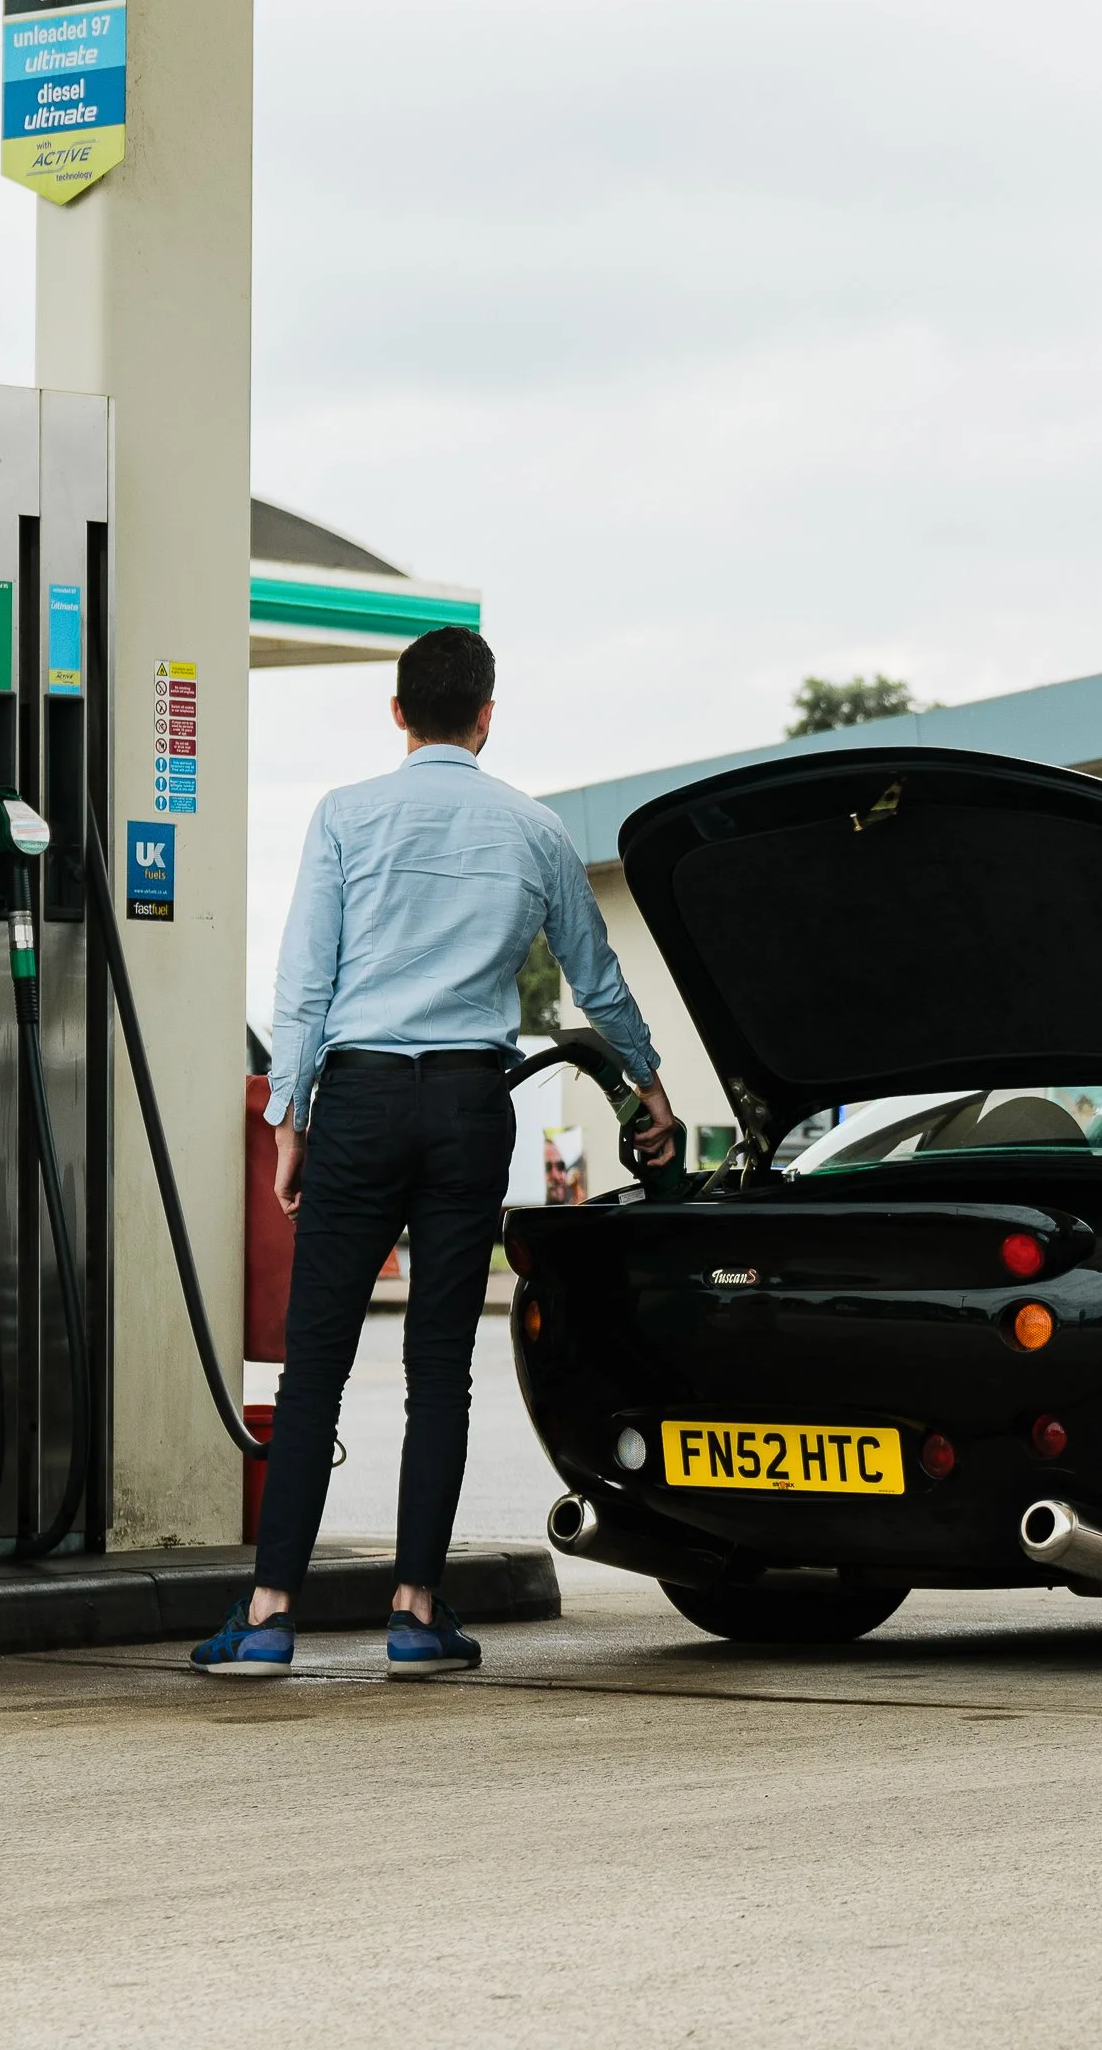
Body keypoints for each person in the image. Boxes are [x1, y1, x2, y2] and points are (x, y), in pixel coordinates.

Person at [193, 627, 677, 1679]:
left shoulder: (345, 815)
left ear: (399, 714)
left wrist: (287, 1120)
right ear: (487, 716)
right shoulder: (535, 829)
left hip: (361, 1102)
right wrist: (648, 1082)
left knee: (317, 1363)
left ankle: (269, 1615)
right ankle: (415, 1613)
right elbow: (595, 977)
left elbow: (305, 983)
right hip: (468, 1104)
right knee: (439, 1370)